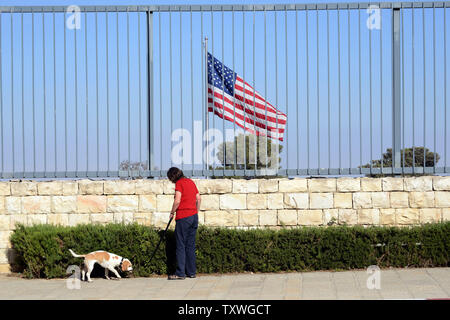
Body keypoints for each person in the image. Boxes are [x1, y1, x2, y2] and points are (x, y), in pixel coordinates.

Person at [167, 167, 201, 280]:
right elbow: (198, 198)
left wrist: (172, 212)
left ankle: (180, 273)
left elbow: (177, 200)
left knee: (181, 244)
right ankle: (191, 272)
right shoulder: (191, 182)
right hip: (194, 217)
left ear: (172, 177)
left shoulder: (179, 184)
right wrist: (196, 211)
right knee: (190, 245)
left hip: (183, 217)